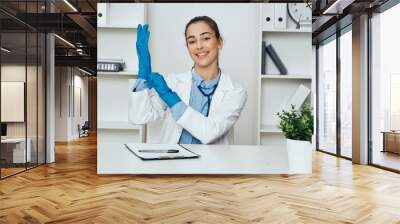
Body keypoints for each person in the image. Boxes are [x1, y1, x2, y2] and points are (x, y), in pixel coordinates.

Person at [129, 16, 247, 144]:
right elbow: (139, 117)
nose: (199, 46)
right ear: (188, 47)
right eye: (192, 41)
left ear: (220, 42)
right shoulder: (172, 83)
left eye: (206, 38)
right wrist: (142, 79)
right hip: (173, 160)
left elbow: (209, 132)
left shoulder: (236, 91)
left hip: (212, 162)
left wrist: (170, 97)